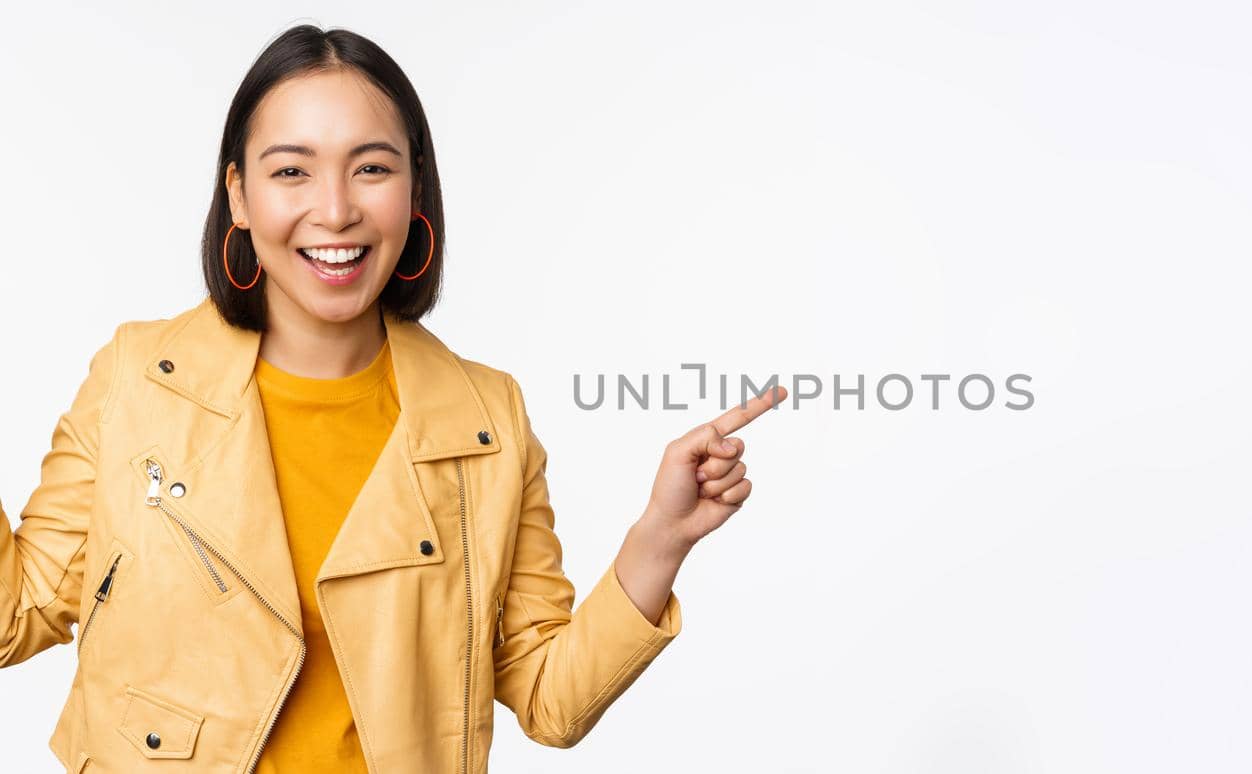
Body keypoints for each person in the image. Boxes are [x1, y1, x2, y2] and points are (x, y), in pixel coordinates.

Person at [0, 24, 784, 773]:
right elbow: (17, 614)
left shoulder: (487, 419)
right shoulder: (138, 377)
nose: (336, 210)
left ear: (416, 191)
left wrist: (661, 537)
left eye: (371, 168)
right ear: (238, 195)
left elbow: (551, 701)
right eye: (291, 171)